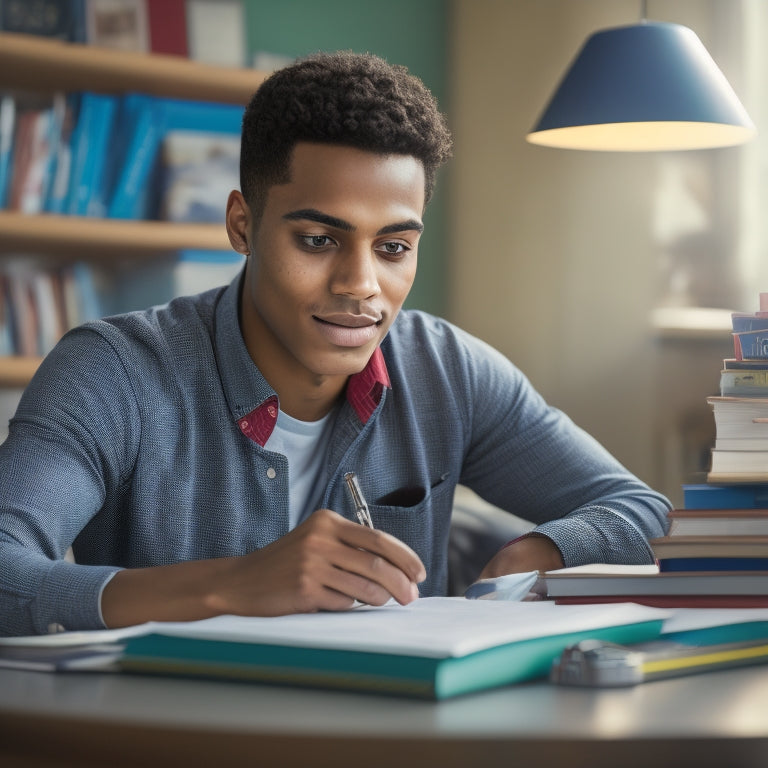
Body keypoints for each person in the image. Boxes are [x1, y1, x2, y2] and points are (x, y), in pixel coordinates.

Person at [0, 51, 671, 637]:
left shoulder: (449, 373)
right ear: (242, 224)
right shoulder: (111, 373)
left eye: (393, 247)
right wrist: (227, 587)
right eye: (318, 241)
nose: (361, 285)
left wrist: (543, 552)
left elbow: (644, 512)